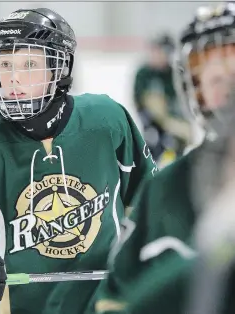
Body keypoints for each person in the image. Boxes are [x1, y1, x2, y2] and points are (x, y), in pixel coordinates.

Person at [0, 8, 157, 314]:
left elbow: (150, 197)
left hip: (106, 303)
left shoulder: (107, 121)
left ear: (60, 68)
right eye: (4, 64)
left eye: (29, 64)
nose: (13, 78)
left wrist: (148, 248)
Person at [95, 2, 235, 314]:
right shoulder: (163, 192)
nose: (231, 90)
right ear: (194, 91)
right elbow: (113, 300)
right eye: (216, 80)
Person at [133, 33, 193, 167]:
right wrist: (150, 125)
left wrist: (176, 127)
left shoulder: (175, 74)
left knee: (176, 149)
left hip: (174, 125)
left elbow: (181, 105)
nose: (155, 55)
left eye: (158, 51)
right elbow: (140, 103)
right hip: (154, 125)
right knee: (151, 146)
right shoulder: (144, 73)